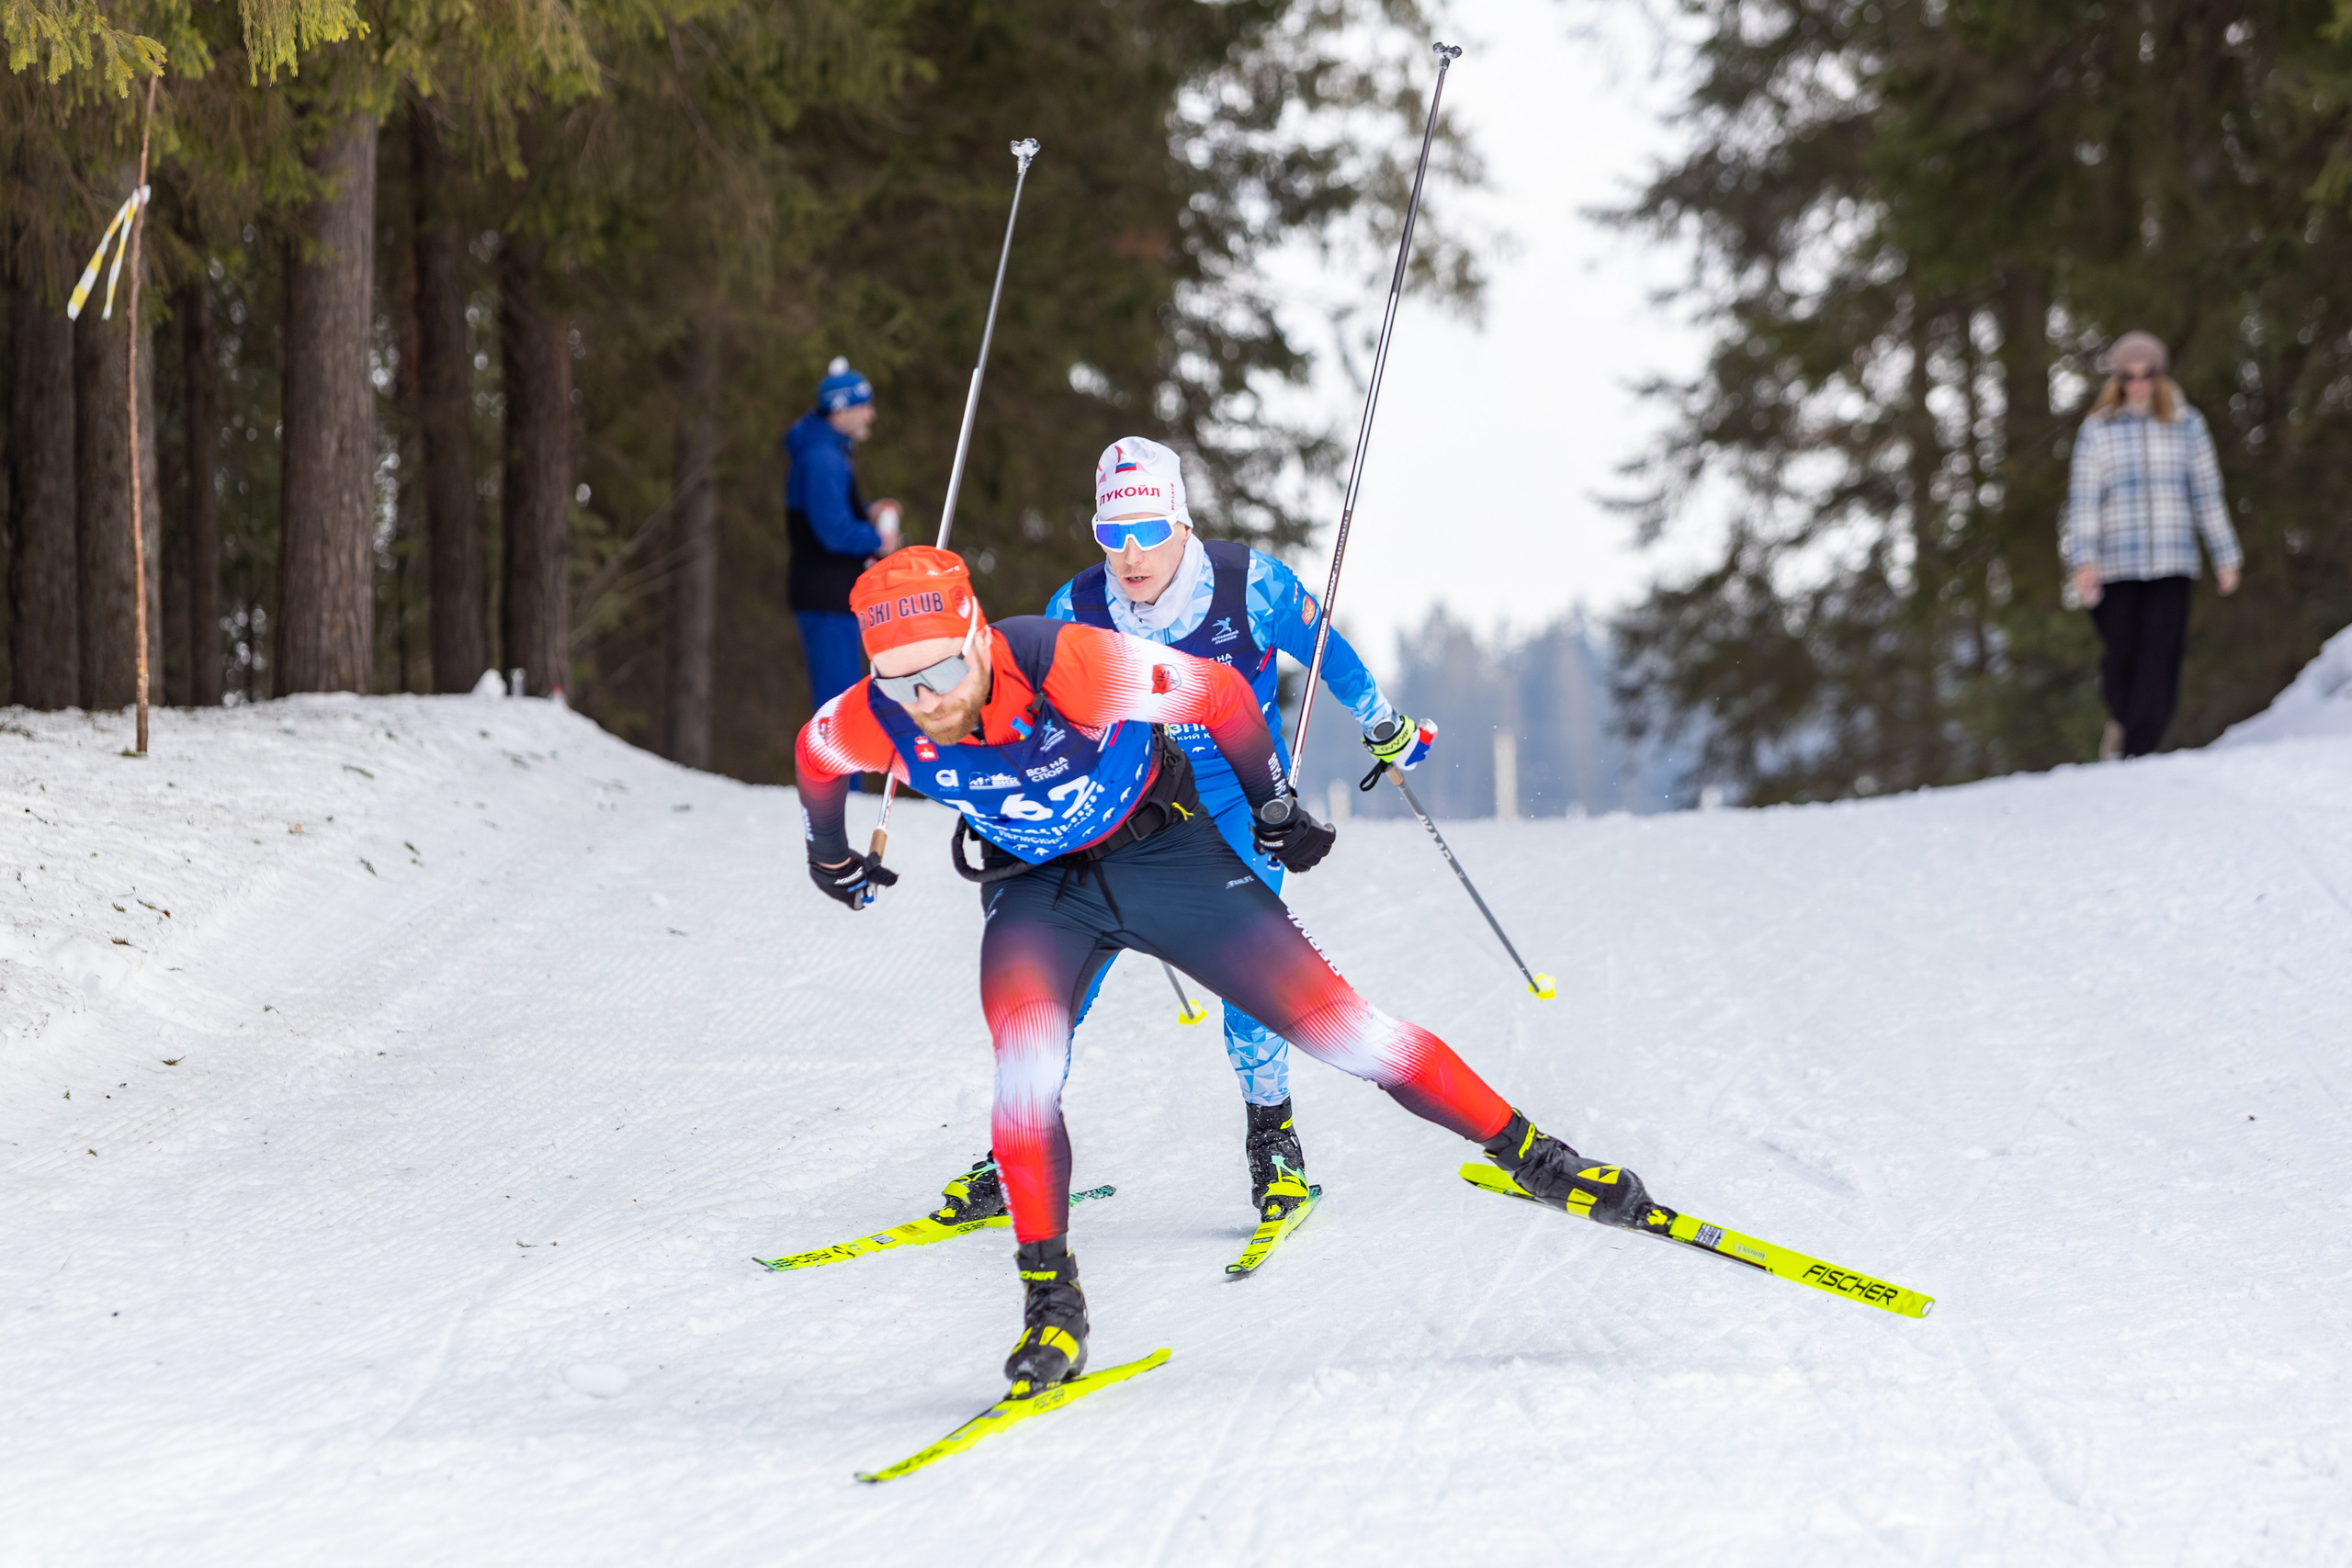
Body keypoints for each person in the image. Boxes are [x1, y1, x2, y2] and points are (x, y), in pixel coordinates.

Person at [796, 545, 1658, 1394]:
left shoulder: (1077, 664)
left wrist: (1270, 803)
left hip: (1166, 854)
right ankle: (1052, 1303)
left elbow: (1221, 696)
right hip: (1036, 892)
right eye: (901, 681)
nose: (930, 701)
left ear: (979, 638)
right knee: (1025, 1076)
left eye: (943, 669)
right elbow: (816, 755)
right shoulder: (872, 716)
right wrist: (827, 854)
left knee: (1342, 1030)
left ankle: (1539, 1159)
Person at [928, 437, 1435, 1235]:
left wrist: (1385, 725)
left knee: (1253, 982)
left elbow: (1327, 653)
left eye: (1149, 530)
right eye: (1112, 533)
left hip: (1237, 799)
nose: (1130, 554)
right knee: (1061, 983)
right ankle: (1016, 1148)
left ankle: (1274, 1142)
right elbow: (1037, 711)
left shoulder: (1250, 585)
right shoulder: (1076, 607)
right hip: (1127, 808)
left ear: (1181, 523)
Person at [2063, 331, 2242, 760]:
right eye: (2129, 376)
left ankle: (2140, 752)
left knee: (2160, 657)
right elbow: (2083, 500)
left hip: (2172, 559)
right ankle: (2123, 724)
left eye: (2147, 375)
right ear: (2117, 379)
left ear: (2160, 375)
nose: (2139, 383)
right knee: (2122, 654)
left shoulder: (2187, 424)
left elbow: (2207, 493)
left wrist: (2226, 556)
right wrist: (2083, 560)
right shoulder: (2097, 430)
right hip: (2116, 563)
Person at [785, 356, 902, 711]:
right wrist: (878, 540)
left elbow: (826, 513)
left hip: (830, 593)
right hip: (826, 594)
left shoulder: (828, 453)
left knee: (843, 698)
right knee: (840, 704)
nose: (870, 415)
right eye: (863, 405)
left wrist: (866, 512)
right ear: (840, 410)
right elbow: (832, 532)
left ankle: (844, 768)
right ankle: (839, 769)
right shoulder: (823, 459)